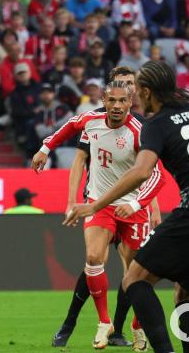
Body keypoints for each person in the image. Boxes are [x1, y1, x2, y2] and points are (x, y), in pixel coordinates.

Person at [64, 60, 189, 353]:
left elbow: (141, 172)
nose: (135, 95)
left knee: (135, 280)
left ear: (147, 90)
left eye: (137, 89)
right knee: (187, 294)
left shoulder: (157, 124)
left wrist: (95, 206)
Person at [64, 81, 166, 350]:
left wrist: (143, 205)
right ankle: (104, 322)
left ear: (131, 103)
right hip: (99, 203)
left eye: (123, 100)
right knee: (93, 258)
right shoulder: (92, 122)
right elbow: (72, 135)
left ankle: (137, 325)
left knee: (137, 273)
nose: (117, 105)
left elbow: (155, 174)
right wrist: (44, 149)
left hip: (132, 207)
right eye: (112, 100)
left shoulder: (141, 131)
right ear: (104, 101)